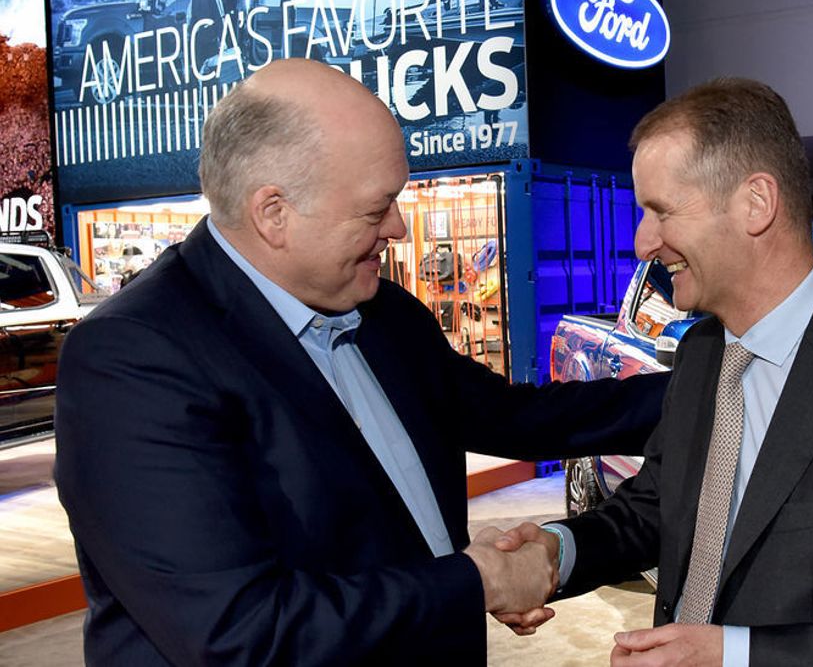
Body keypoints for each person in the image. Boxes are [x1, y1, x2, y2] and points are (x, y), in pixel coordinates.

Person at [53, 58, 667, 665]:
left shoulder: (382, 311)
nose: (398, 227)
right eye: (377, 208)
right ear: (274, 214)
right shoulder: (133, 358)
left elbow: (512, 416)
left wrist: (705, 386)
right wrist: (477, 582)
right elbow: (239, 632)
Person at [499, 78, 813, 665]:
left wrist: (735, 655)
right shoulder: (702, 354)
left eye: (661, 211)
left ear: (756, 203)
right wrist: (556, 552)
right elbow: (660, 507)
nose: (643, 243)